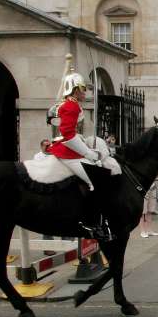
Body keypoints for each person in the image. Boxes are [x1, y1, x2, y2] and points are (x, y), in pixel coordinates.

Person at [47, 66, 109, 238]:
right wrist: (89, 154)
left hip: (69, 148)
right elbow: (67, 135)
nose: (85, 92)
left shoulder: (70, 105)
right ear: (75, 89)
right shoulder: (71, 106)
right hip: (66, 151)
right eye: (83, 88)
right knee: (96, 180)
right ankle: (90, 222)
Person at [138, 168, 158, 239]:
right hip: (144, 188)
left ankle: (149, 230)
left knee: (150, 210)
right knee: (143, 211)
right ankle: (142, 231)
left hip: (152, 187)